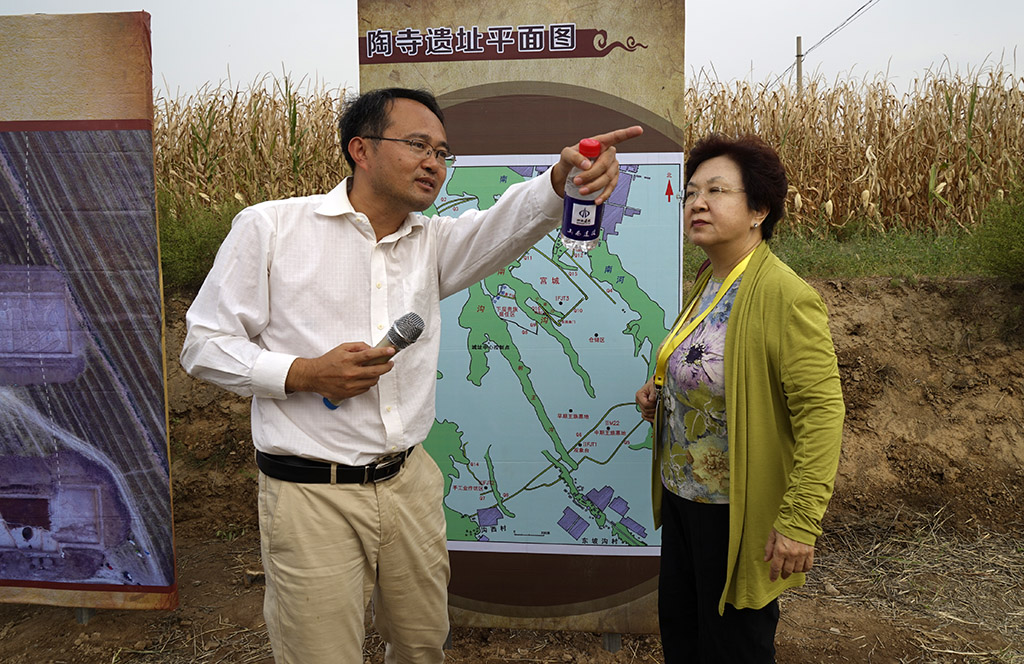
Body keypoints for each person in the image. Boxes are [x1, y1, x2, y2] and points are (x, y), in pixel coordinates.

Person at [180, 86, 642, 664]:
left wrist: (559, 179)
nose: (434, 163)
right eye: (418, 145)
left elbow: (506, 225)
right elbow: (203, 346)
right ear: (361, 149)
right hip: (309, 494)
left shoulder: (433, 244)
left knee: (423, 645)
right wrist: (303, 373)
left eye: (443, 153)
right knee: (320, 654)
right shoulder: (271, 229)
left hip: (409, 484)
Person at [635, 134, 844, 663]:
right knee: (684, 637)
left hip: (736, 512)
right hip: (685, 498)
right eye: (690, 193)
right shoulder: (711, 278)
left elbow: (821, 414)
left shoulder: (785, 295)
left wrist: (799, 522)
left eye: (717, 190)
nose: (697, 202)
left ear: (758, 210)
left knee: (734, 648)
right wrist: (663, 391)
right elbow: (712, 367)